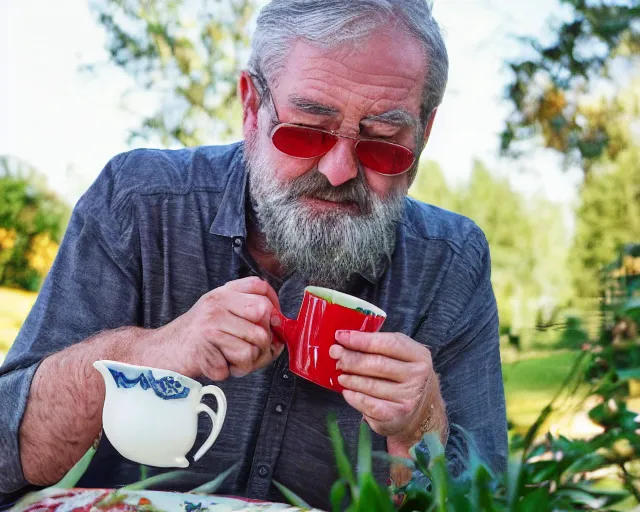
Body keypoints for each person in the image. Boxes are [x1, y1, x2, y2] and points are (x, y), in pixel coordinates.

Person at [0, 0, 507, 509]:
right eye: (307, 130)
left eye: (382, 144)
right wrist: (151, 351)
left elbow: (489, 500)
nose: (337, 171)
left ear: (424, 134)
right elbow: (8, 449)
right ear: (250, 106)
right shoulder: (138, 204)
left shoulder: (449, 264)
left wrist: (421, 427)